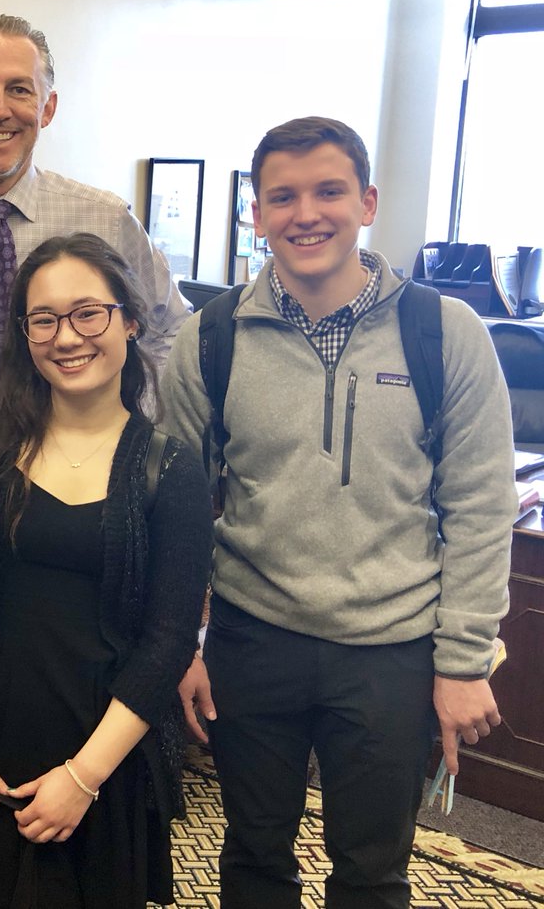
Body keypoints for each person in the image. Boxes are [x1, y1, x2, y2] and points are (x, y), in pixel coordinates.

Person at [160, 116, 517, 909]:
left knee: (372, 869)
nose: (306, 214)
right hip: (254, 640)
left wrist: (463, 658)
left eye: (328, 191)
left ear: (367, 201)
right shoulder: (211, 337)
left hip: (391, 649)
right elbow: (178, 507)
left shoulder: (443, 333)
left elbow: (482, 504)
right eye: (282, 197)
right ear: (257, 214)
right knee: (253, 855)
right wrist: (183, 642)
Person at [0, 232, 213, 907]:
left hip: (105, 762)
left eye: (89, 313)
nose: (67, 336)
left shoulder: (172, 470)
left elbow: (168, 643)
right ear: (24, 335)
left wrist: (83, 778)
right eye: (43, 319)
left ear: (131, 322)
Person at [0, 14, 190, 393]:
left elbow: (172, 329)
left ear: (48, 108)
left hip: (74, 449)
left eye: (20, 90)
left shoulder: (105, 220)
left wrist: (137, 418)